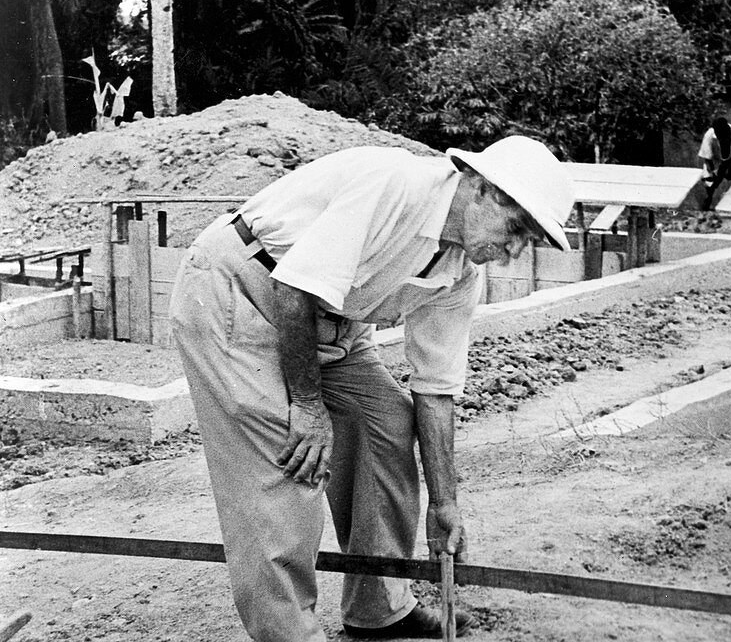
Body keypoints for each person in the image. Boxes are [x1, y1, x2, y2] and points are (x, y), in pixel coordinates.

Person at [169, 135, 575, 642]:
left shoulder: (460, 272)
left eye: (529, 240)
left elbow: (436, 387)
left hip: (327, 320)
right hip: (240, 291)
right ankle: (290, 634)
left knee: (385, 420)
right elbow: (294, 286)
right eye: (517, 228)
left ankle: (379, 608)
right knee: (290, 459)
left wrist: (445, 504)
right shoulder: (396, 187)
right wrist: (309, 407)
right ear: (478, 186)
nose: (514, 251)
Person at [697, 116, 731, 211]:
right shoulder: (709, 136)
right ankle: (706, 207)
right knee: (710, 184)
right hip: (714, 162)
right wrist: (713, 171)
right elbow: (707, 158)